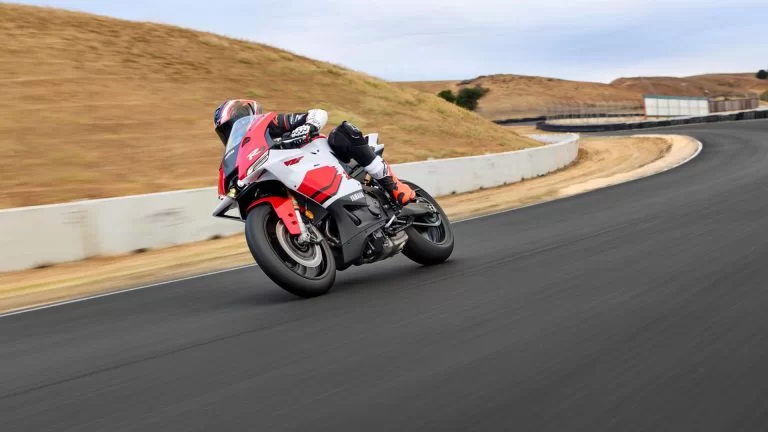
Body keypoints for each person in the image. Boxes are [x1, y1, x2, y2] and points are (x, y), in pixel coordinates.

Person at [213, 99, 415, 205]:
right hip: (294, 181)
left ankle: (393, 185)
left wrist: (309, 126)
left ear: (249, 114)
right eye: (226, 130)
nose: (232, 131)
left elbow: (318, 113)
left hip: (325, 158)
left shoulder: (272, 124)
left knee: (342, 132)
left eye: (233, 124)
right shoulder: (246, 155)